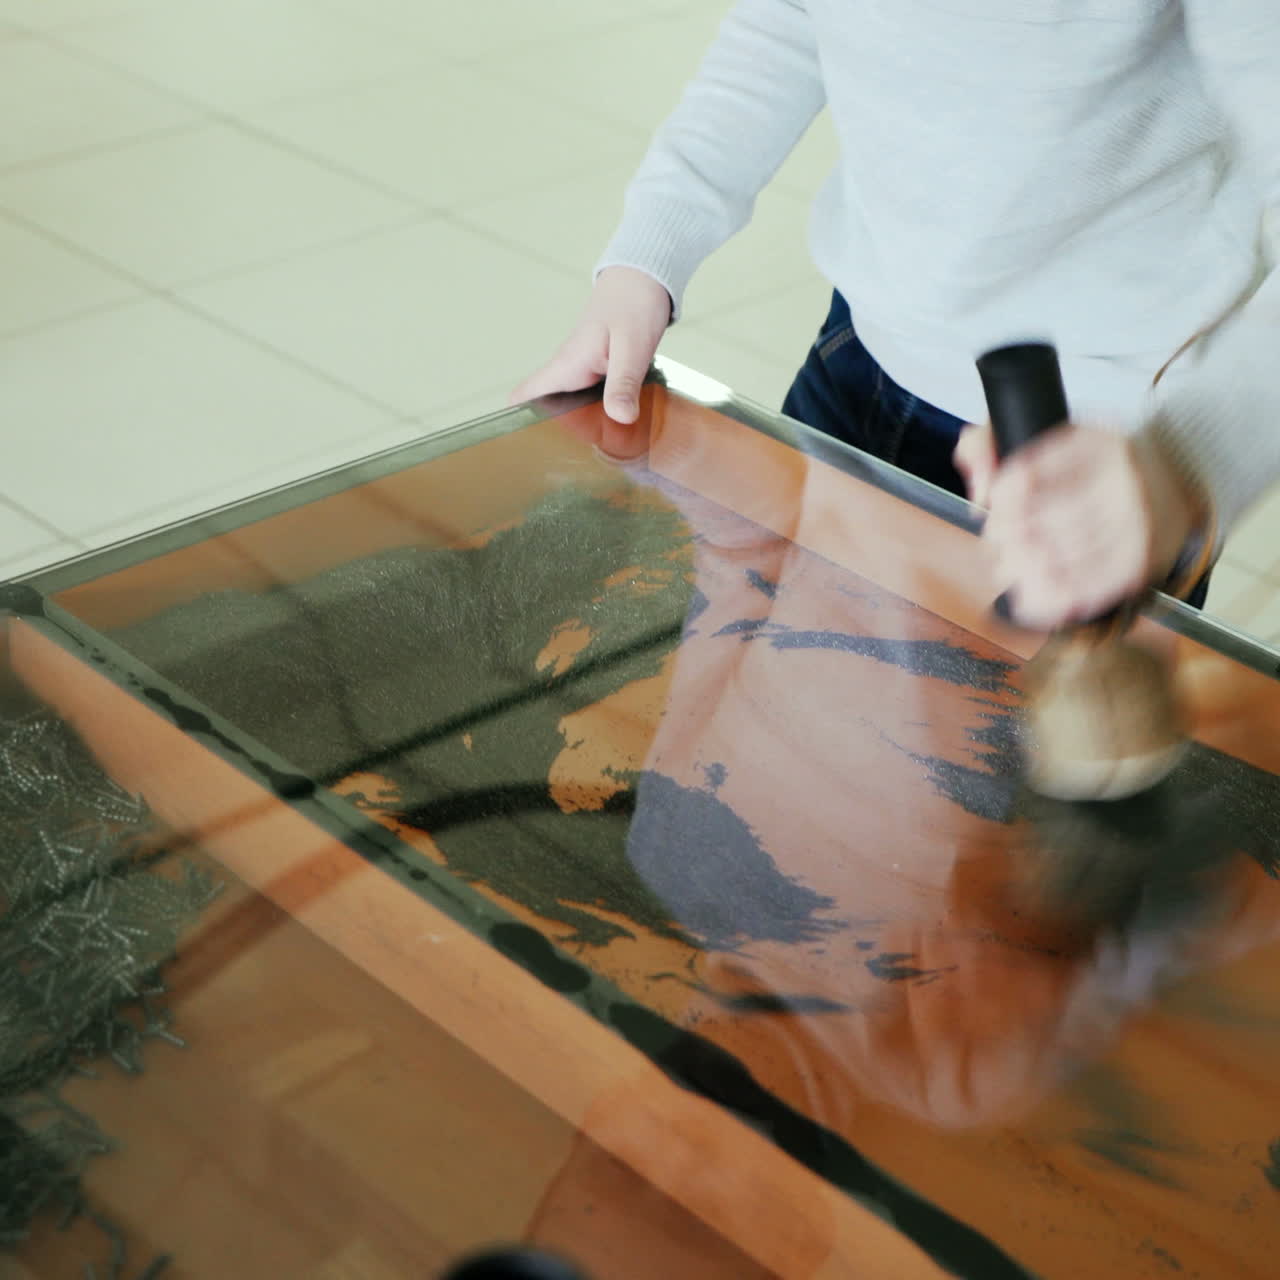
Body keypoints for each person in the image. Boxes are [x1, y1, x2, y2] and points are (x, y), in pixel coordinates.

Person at [513, 1, 1280, 631]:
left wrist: (1192, 459)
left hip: (1097, 466)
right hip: (855, 367)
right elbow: (789, 20)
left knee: (1003, 809)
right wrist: (646, 259)